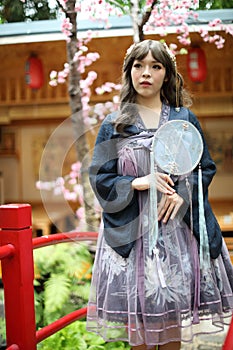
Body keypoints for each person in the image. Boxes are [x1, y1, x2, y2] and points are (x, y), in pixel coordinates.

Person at [86, 39, 233, 350]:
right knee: (138, 320)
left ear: (167, 74)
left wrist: (183, 194)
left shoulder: (184, 120)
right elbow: (100, 176)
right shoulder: (115, 124)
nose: (146, 73)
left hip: (175, 233)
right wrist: (139, 181)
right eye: (139, 66)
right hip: (133, 233)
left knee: (170, 320)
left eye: (156, 66)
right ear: (129, 72)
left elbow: (203, 168)